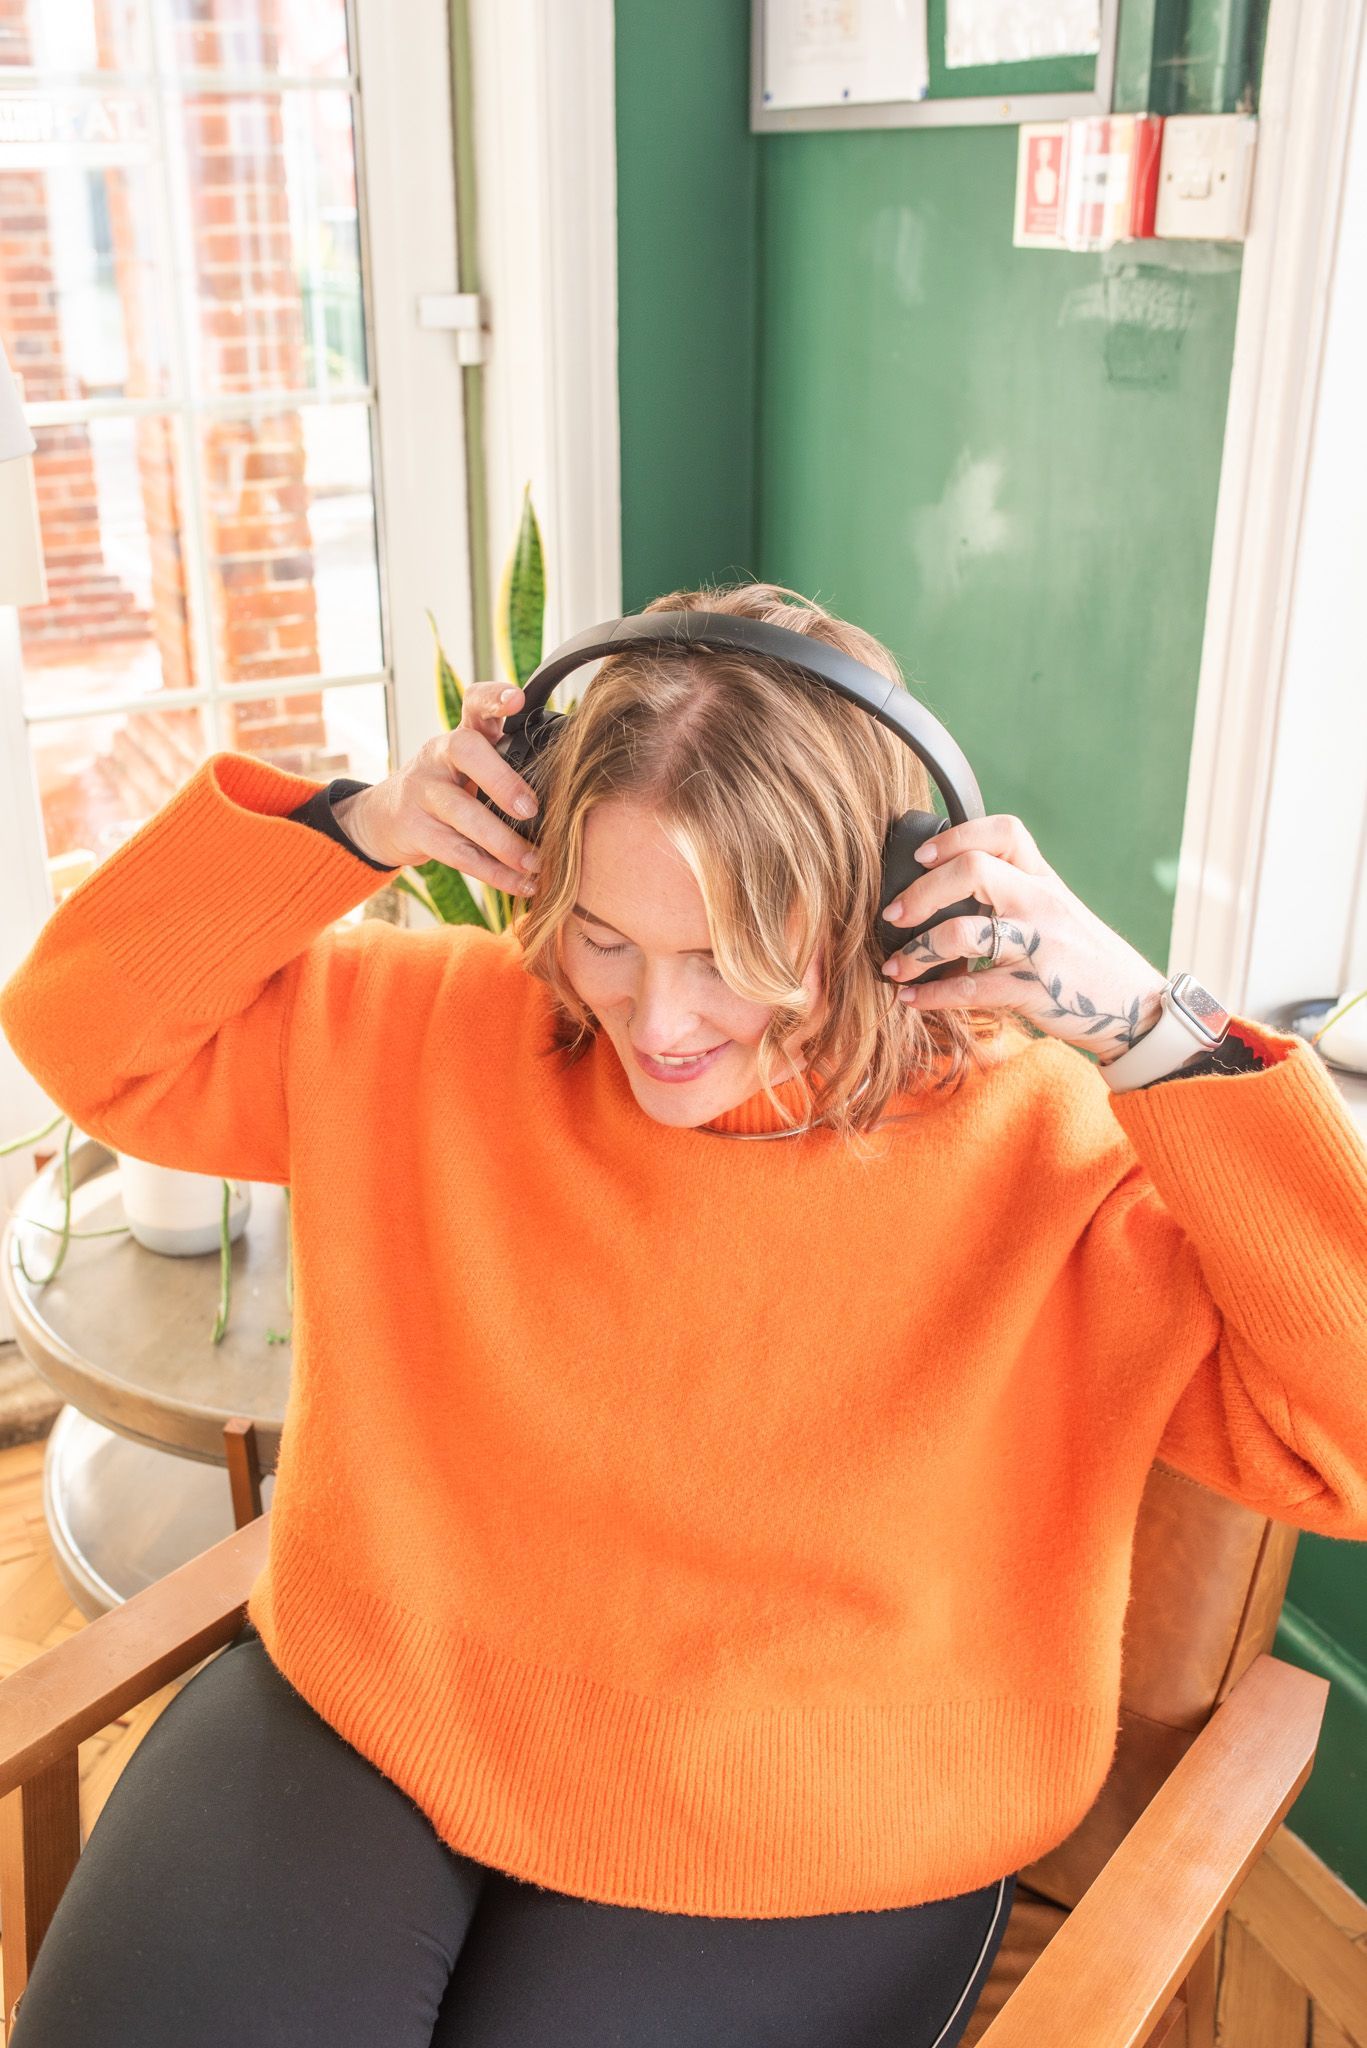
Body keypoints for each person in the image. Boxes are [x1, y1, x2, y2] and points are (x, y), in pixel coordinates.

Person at [2, 580, 1365, 2047]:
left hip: (812, 1829)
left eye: (729, 955)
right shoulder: (422, 1028)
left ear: (898, 900)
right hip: (371, 1699)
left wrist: (1160, 1034)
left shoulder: (1052, 1155)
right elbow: (84, 1033)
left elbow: (1344, 1444)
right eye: (603, 934)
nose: (658, 1024)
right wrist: (357, 826)